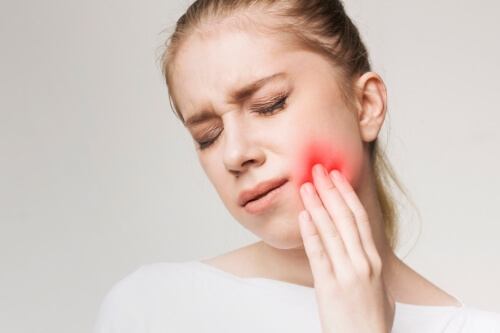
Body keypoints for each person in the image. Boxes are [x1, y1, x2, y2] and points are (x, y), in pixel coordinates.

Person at [94, 0, 500, 332]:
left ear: (366, 105)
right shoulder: (152, 309)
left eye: (269, 105)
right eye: (208, 135)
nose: (235, 154)